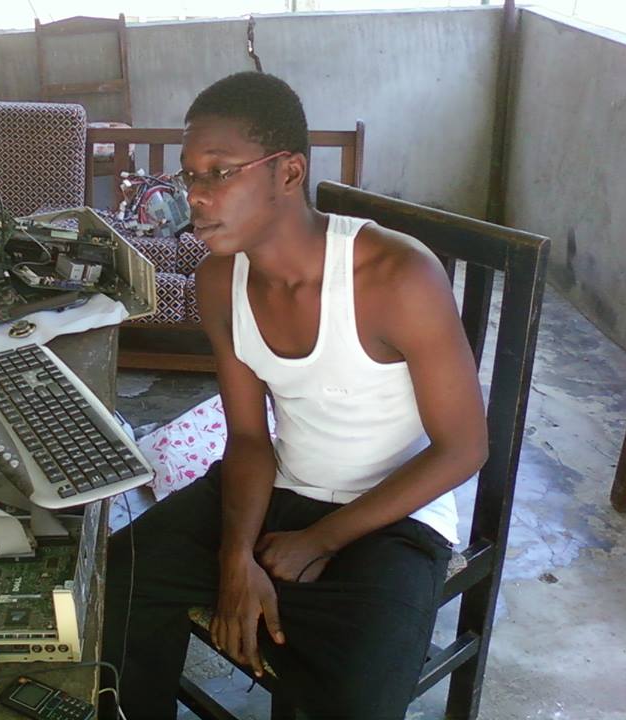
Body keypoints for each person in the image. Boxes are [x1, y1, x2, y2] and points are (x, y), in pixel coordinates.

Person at [101, 72, 488, 720]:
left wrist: (322, 540)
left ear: (288, 172)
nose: (196, 196)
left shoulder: (396, 277)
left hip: (394, 517)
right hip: (280, 483)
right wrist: (236, 558)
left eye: (219, 172)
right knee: (118, 579)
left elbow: (464, 448)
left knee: (354, 699)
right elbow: (250, 439)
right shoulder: (219, 280)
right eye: (189, 176)